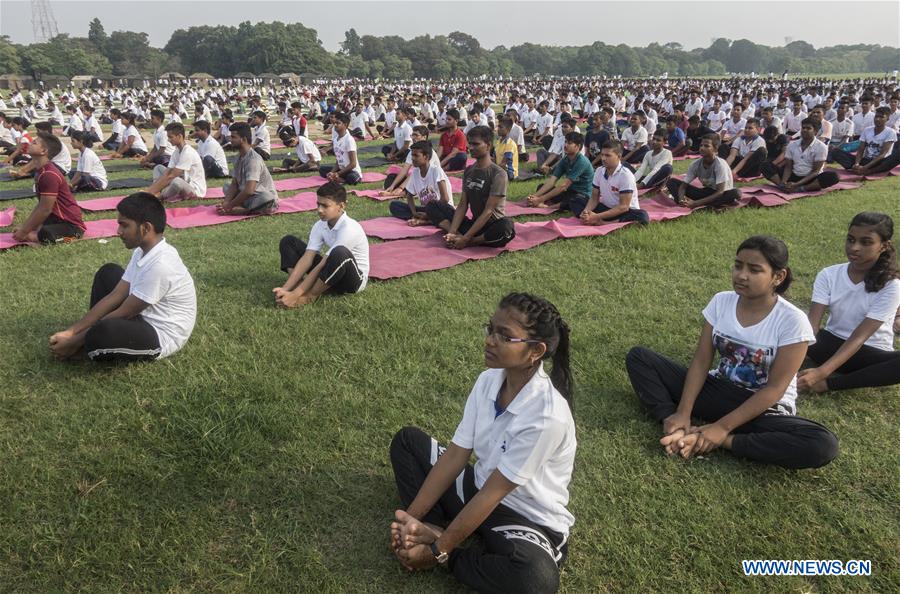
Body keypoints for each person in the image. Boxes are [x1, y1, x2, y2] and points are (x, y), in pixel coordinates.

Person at [390, 292, 575, 594]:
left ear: (535, 351)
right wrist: (412, 518)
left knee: (535, 579)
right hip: (478, 488)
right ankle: (429, 528)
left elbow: (494, 494)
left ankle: (451, 553)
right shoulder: (488, 380)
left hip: (525, 517)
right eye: (491, 329)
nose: (490, 340)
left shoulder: (546, 416)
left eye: (505, 336)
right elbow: (456, 456)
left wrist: (438, 552)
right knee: (408, 443)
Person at [625, 235, 839, 469]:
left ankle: (723, 441)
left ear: (778, 276)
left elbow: (774, 390)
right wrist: (683, 413)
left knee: (821, 444)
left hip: (763, 408)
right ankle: (676, 427)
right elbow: (701, 361)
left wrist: (721, 429)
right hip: (718, 390)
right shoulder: (721, 301)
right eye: (738, 266)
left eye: (754, 270)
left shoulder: (792, 321)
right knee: (640, 358)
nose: (741, 275)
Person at [48, 192, 196, 362]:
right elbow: (116, 295)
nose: (118, 231)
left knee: (102, 331)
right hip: (140, 316)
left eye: (124, 226)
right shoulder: (142, 251)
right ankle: (84, 341)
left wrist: (75, 341)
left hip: (160, 334)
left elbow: (126, 312)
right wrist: (71, 332)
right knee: (108, 272)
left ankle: (84, 346)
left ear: (145, 228)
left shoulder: (161, 265)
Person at [799, 212, 900, 392]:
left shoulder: (891, 285)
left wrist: (822, 373)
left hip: (868, 353)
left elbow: (859, 337)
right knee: (797, 331)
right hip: (829, 344)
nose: (854, 248)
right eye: (851, 240)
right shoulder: (829, 274)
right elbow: (811, 327)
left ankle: (830, 385)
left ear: (884, 246)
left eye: (866, 242)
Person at [274, 182, 369, 308]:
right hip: (332, 271)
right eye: (318, 204)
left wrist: (296, 295)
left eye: (325, 206)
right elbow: (308, 258)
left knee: (339, 252)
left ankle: (310, 296)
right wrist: (285, 289)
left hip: (351, 281)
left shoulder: (350, 228)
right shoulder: (320, 225)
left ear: (341, 206)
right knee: (289, 241)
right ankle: (298, 285)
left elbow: (323, 264)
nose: (319, 210)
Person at [427, 125, 515, 249]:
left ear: (488, 145)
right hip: (474, 224)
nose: (471, 148)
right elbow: (463, 204)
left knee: (506, 227)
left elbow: (489, 211)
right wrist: (452, 231)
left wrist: (466, 238)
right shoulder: (469, 171)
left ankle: (470, 241)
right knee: (433, 205)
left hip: (491, 227)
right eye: (470, 144)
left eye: (475, 144)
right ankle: (455, 236)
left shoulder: (498, 174)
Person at [11, 135, 85, 244]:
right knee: (38, 226)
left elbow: (45, 209)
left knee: (45, 234)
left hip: (71, 225)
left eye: (34, 143)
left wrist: (24, 233)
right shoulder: (42, 171)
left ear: (43, 151)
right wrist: (25, 228)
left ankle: (71, 237)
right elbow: (41, 206)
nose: (30, 143)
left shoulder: (48, 174)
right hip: (56, 218)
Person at [572, 139, 649, 224]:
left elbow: (623, 207)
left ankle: (603, 223)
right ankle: (589, 218)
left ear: (619, 156)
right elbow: (594, 198)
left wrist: (597, 216)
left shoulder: (625, 175)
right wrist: (586, 212)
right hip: (607, 209)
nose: (603, 158)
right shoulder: (599, 171)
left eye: (608, 155)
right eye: (602, 155)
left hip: (623, 212)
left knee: (641, 216)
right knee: (577, 199)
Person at [761, 118, 839, 193]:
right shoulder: (792, 145)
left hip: (810, 178)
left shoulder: (821, 147)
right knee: (765, 165)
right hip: (793, 175)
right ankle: (782, 186)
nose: (804, 130)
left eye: (808, 128)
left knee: (833, 176)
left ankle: (801, 188)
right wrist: (784, 182)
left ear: (815, 131)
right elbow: (788, 167)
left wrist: (797, 184)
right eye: (803, 128)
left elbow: (816, 171)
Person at [664, 134, 741, 209]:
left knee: (735, 193)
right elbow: (683, 186)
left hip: (722, 193)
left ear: (715, 149)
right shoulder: (695, 164)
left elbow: (720, 191)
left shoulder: (720, 164)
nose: (702, 148)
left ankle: (704, 204)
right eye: (701, 145)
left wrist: (696, 203)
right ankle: (684, 203)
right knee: (672, 182)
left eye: (706, 146)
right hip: (707, 192)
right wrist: (681, 199)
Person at [216, 122, 279, 215]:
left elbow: (249, 190)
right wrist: (226, 202)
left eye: (233, 137)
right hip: (248, 195)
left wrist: (229, 206)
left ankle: (246, 210)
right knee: (227, 186)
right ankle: (244, 206)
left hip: (259, 196)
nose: (230, 140)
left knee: (267, 197)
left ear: (243, 139)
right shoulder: (238, 157)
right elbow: (234, 183)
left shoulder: (253, 159)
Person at [525, 131, 593, 211]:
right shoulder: (565, 160)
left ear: (577, 146)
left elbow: (563, 186)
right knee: (541, 186)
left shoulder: (581, 161)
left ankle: (548, 207)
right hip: (569, 192)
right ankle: (541, 203)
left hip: (581, 195)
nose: (565, 145)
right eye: (565, 142)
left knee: (575, 200)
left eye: (569, 143)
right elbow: (551, 181)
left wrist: (540, 199)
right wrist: (534, 196)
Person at [389, 140, 453, 226]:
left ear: (426, 157)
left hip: (443, 209)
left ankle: (428, 220)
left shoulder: (436, 171)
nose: (413, 158)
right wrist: (414, 212)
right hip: (427, 210)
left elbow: (445, 199)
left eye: (416, 155)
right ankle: (427, 219)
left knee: (437, 211)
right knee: (394, 205)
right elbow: (409, 195)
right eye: (412, 155)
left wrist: (428, 214)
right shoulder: (415, 172)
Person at [146, 123, 207, 202]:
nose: (168, 140)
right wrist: (150, 190)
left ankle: (160, 196)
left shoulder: (188, 152)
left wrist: (149, 192)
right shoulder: (176, 151)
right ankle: (156, 192)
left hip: (195, 190)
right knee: (158, 168)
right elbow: (167, 173)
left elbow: (171, 175)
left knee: (176, 182)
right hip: (183, 181)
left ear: (179, 136)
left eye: (170, 137)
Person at [832, 107, 900, 175]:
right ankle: (856, 168)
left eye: (881, 117)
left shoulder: (890, 132)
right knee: (835, 152)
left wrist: (865, 167)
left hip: (880, 162)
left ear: (887, 119)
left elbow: (882, 154)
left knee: (896, 156)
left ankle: (870, 171)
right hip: (865, 160)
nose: (877, 119)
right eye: (876, 117)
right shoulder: (867, 130)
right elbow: (861, 149)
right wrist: (857, 163)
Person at [380, 125, 436, 194]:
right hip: (416, 177)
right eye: (412, 135)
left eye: (416, 135)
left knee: (413, 184)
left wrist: (400, 187)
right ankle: (401, 190)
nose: (413, 138)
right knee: (391, 178)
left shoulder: (428, 152)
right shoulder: (413, 151)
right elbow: (404, 169)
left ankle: (403, 192)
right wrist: (392, 186)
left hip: (428, 180)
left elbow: (417, 173)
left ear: (424, 137)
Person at [318, 112, 362, 185]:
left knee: (351, 177)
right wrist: (332, 172)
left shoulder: (349, 140)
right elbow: (338, 161)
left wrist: (337, 173)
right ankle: (338, 178)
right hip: (342, 170)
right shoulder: (336, 140)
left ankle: (341, 179)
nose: (335, 125)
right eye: (335, 123)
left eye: (338, 123)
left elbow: (353, 164)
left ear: (345, 125)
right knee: (322, 169)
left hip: (352, 171)